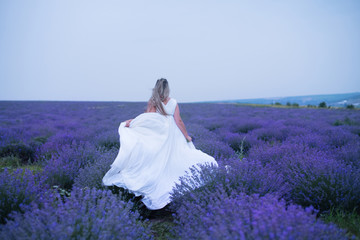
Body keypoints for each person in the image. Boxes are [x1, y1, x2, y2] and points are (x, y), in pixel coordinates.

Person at [102, 78, 218, 210]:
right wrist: (186, 136)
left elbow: (147, 117)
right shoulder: (173, 101)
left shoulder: (153, 101)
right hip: (173, 135)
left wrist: (132, 122)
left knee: (156, 158)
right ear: (167, 88)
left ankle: (151, 183)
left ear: (156, 88)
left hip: (158, 132)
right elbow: (179, 121)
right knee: (177, 158)